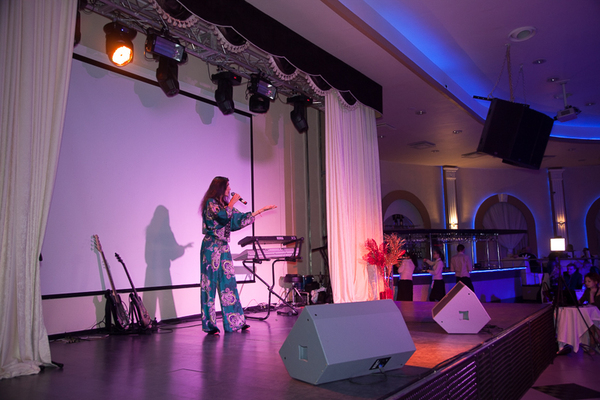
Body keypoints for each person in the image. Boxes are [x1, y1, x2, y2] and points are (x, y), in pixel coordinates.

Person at [199, 176, 276, 335]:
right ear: (221, 187)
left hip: (223, 247)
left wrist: (261, 210)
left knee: (229, 284)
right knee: (209, 286)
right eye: (227, 185)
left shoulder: (225, 206)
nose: (230, 188)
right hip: (211, 247)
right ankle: (210, 325)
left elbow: (238, 220)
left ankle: (235, 322)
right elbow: (221, 217)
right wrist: (232, 203)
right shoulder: (211, 203)